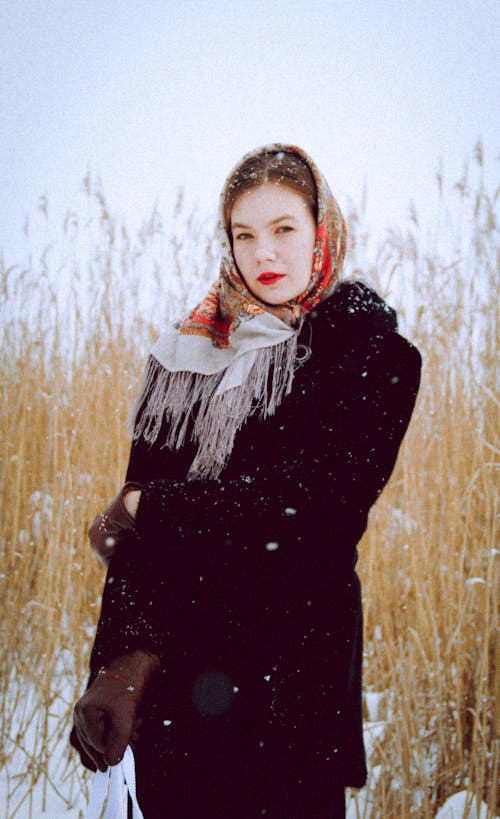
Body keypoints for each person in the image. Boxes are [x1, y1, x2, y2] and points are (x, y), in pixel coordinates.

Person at [71, 144, 421, 818]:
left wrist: (153, 504)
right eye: (245, 233)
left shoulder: (367, 352)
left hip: (290, 695)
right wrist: (117, 664)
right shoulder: (183, 358)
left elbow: (315, 512)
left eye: (285, 228)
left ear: (321, 231)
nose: (265, 251)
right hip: (178, 704)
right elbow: (139, 552)